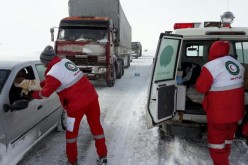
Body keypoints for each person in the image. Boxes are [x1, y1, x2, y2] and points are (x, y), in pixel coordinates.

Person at [31, 45, 108, 165]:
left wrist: (31, 94)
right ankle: (103, 157)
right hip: (92, 99)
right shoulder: (65, 62)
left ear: (46, 62)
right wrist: (42, 83)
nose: (44, 65)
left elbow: (45, 93)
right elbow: (59, 77)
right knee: (96, 127)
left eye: (43, 63)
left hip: (75, 107)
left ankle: (72, 161)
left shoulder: (53, 73)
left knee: (71, 134)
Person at [195, 41, 245, 165]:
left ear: (211, 51)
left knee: (216, 146)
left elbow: (200, 88)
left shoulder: (211, 67)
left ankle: (222, 162)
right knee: (227, 140)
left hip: (219, 114)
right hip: (236, 113)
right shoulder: (237, 64)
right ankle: (225, 157)